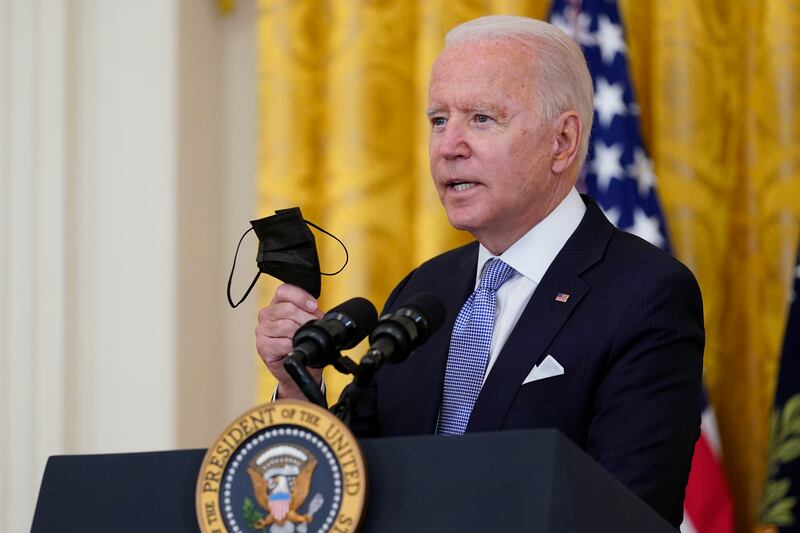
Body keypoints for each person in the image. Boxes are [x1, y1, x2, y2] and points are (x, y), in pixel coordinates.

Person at [255, 15, 703, 527]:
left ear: (562, 141)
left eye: (482, 118)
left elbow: (628, 513)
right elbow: (348, 496)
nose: (449, 146)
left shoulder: (644, 293)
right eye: (439, 120)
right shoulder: (424, 291)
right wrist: (299, 387)